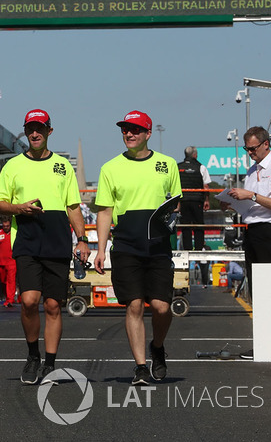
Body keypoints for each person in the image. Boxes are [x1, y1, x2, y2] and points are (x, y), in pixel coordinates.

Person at [0, 109, 89, 385]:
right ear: (25, 132)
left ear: (49, 131)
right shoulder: (12, 166)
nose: (34, 133)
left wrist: (82, 239)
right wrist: (19, 208)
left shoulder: (62, 166)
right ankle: (32, 356)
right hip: (26, 239)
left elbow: (73, 207)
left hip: (58, 241)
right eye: (30, 129)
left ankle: (49, 363)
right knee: (29, 301)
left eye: (40, 128)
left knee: (53, 306)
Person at [93, 110, 182, 385]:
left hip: (158, 246)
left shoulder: (167, 164)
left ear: (147, 133)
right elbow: (105, 211)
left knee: (162, 307)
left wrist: (169, 221)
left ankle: (158, 347)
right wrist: (100, 248)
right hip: (126, 245)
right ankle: (141, 366)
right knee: (133, 305)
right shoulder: (110, 168)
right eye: (125, 130)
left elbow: (175, 204)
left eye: (134, 130)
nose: (128, 134)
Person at [225, 126, 271, 361]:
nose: (250, 152)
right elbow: (249, 202)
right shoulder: (251, 169)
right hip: (253, 231)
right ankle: (266, 344)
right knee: (257, 290)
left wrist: (252, 196)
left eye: (253, 148)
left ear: (266, 144)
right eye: (247, 149)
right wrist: (232, 202)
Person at [178, 146, 211, 252]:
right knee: (199, 224)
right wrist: (206, 200)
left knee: (185, 225)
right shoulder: (201, 167)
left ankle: (187, 248)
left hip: (183, 200)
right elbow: (206, 187)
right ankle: (198, 247)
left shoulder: (177, 167)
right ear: (195, 155)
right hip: (197, 200)